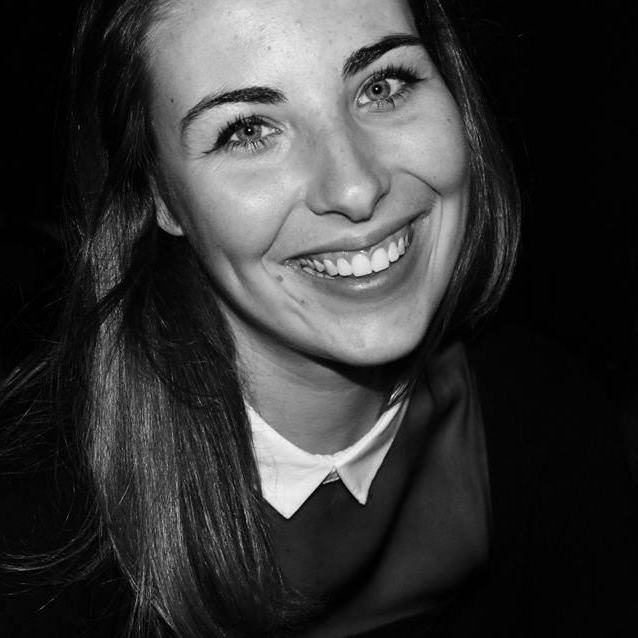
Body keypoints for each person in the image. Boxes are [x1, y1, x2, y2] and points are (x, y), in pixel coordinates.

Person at [1, 0, 636, 636]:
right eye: (249, 130)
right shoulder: (33, 538)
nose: (356, 189)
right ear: (159, 195)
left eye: (382, 86)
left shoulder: (545, 426)